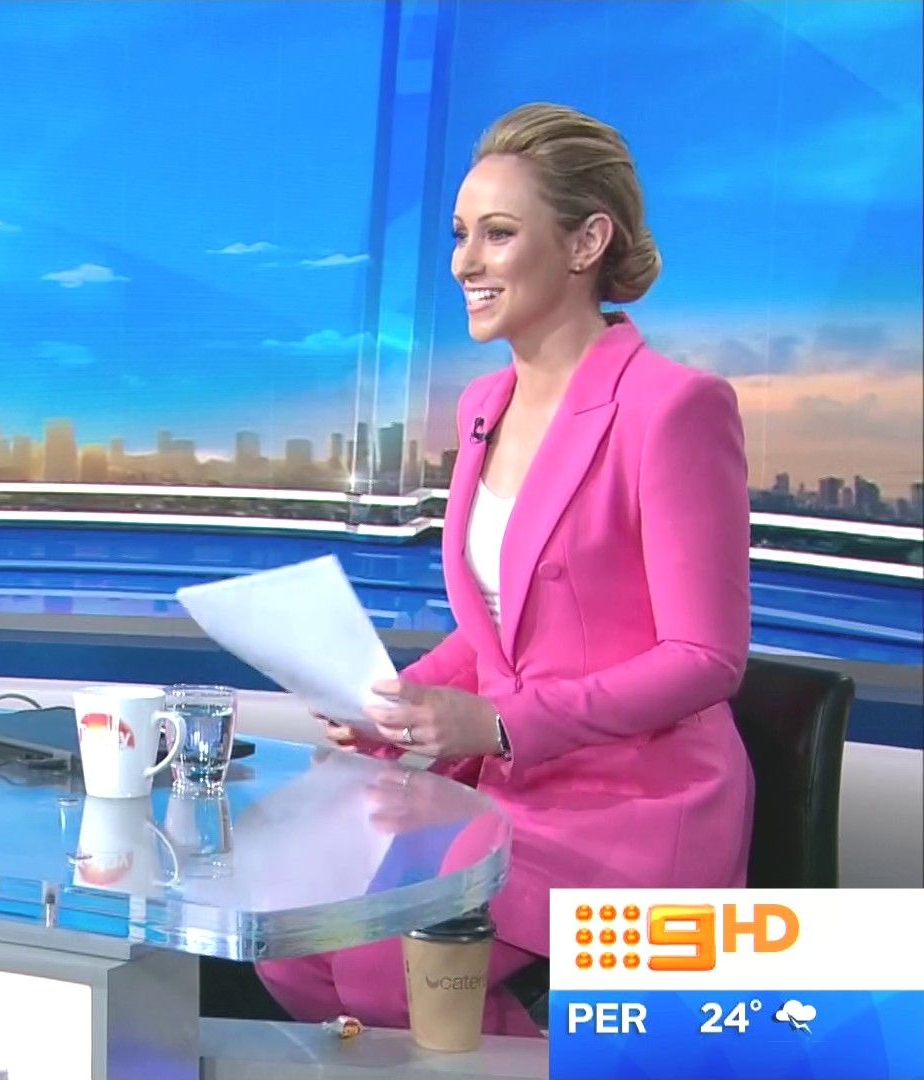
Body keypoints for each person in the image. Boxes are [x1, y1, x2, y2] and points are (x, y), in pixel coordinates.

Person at [258, 103, 754, 1034]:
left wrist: (494, 722)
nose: (463, 264)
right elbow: (502, 628)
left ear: (586, 243)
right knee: (292, 940)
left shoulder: (674, 408)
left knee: (388, 960)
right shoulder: (484, 405)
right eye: (459, 235)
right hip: (512, 787)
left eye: (497, 234)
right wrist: (391, 704)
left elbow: (706, 656)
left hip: (635, 801)